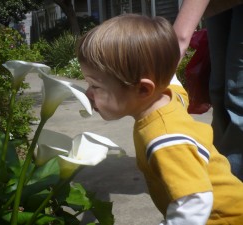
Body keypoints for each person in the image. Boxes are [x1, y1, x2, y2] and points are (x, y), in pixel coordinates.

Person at [77, 14, 243, 224]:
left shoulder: (164, 140)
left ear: (144, 89)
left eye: (95, 86)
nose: (87, 93)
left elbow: (194, 202)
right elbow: (173, 82)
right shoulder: (167, 98)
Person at [173, 0, 243, 180]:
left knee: (238, 96)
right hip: (218, 5)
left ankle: (230, 185)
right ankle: (221, 165)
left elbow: (181, 36)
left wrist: (180, 38)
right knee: (217, 90)